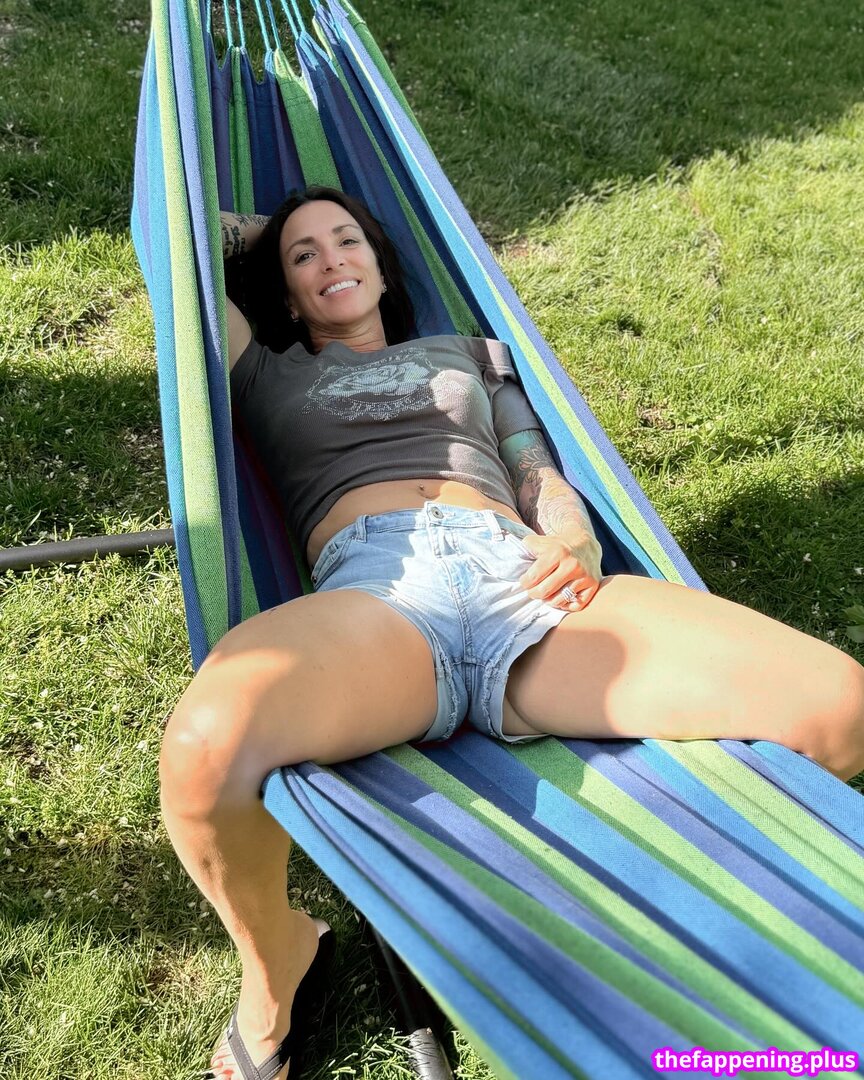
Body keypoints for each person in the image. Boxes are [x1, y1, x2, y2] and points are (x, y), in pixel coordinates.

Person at [159, 186, 864, 1080]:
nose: (332, 258)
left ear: (384, 267)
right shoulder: (267, 373)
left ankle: (681, 903)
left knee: (838, 706)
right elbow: (176, 238)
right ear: (286, 296)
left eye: (349, 241)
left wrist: (572, 541)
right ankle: (278, 967)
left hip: (521, 571)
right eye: (306, 255)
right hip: (380, 597)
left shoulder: (465, 354)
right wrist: (270, 233)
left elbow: (535, 467)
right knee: (203, 754)